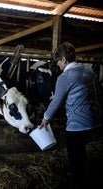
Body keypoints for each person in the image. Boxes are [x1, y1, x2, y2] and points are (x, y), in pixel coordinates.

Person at [39, 42, 101, 189]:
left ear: (64, 59)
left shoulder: (65, 76)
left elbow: (56, 101)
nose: (58, 64)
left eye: (58, 61)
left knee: (74, 150)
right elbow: (98, 94)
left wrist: (46, 117)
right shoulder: (89, 71)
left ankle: (77, 180)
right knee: (80, 148)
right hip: (94, 120)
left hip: (77, 123)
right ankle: (76, 170)